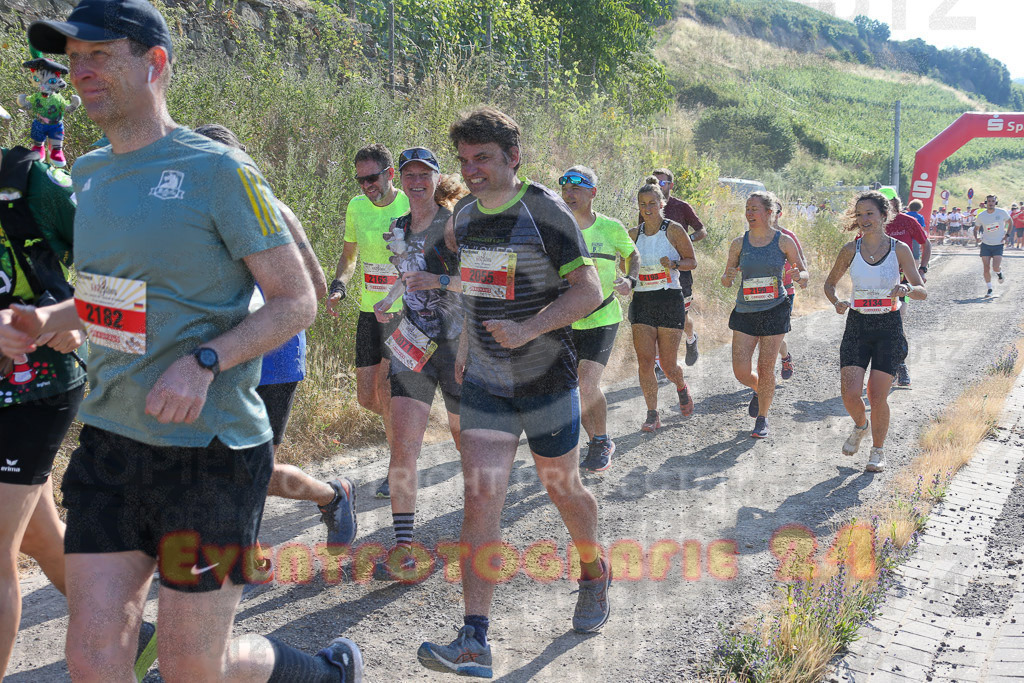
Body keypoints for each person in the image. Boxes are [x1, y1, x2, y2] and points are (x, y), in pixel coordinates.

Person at [10, 1, 363, 679]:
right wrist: (46, 322)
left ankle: (320, 672)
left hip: (210, 452)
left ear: (155, 63)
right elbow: (116, 294)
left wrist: (207, 360)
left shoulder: (220, 172)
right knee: (90, 657)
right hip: (111, 443)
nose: (80, 71)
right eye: (73, 58)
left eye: (99, 55)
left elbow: (298, 299)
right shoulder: (89, 172)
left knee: (192, 665)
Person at [416, 107, 606, 679]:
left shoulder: (544, 211)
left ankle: (593, 569)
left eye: (484, 159)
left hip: (546, 378)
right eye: (465, 159)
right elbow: (478, 280)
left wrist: (528, 328)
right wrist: (472, 337)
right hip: (488, 384)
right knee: (480, 498)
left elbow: (590, 291)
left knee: (562, 489)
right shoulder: (466, 217)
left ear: (512, 158)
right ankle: (474, 639)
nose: (471, 170)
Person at [193, 124, 357, 551]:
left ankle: (330, 495)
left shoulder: (274, 212)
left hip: (274, 357)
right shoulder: (193, 220)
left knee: (253, 469)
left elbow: (317, 289)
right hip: (218, 358)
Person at [370, 147, 466, 578]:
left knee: (467, 443)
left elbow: (485, 282)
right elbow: (404, 274)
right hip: (412, 346)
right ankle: (404, 548)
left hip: (458, 345)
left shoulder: (456, 226)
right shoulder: (397, 226)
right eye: (408, 175)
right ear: (400, 180)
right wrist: (388, 301)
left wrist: (440, 279)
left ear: (436, 178)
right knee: (404, 446)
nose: (415, 181)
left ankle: (477, 526)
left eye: (423, 174)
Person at [326, 143, 410, 499]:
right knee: (366, 396)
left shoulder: (410, 203)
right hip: (368, 310)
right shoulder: (356, 207)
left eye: (371, 178)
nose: (365, 186)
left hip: (406, 311)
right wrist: (339, 286)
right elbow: (349, 257)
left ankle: (399, 466)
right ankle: (406, 431)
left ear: (390, 173)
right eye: (360, 180)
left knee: (389, 389)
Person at [824, 191, 926, 472]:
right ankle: (861, 425)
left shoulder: (899, 249)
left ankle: (878, 451)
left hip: (888, 327)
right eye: (859, 215)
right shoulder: (849, 250)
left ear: (884, 215)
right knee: (849, 393)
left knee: (877, 396)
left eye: (869, 214)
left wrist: (907, 288)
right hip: (858, 325)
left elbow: (922, 290)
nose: (864, 219)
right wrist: (837, 302)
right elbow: (829, 285)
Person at [562, 165, 637, 470]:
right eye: (565, 189)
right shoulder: (556, 228)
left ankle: (602, 440)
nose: (569, 194)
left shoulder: (611, 228)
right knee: (573, 391)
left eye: (577, 189)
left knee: (587, 385)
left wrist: (630, 280)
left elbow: (632, 254)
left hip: (603, 315)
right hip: (566, 319)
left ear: (592, 193)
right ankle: (595, 441)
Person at [721, 191, 808, 439]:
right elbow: (726, 278)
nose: (749, 213)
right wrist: (727, 278)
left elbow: (804, 273)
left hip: (775, 309)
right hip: (745, 310)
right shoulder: (739, 243)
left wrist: (799, 277)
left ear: (769, 213)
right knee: (740, 371)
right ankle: (761, 389)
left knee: (766, 366)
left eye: (755, 209)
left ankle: (762, 418)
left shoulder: (784, 242)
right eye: (747, 209)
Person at [629, 175, 697, 432]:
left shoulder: (674, 230)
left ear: (661, 204)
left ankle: (681, 386)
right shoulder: (632, 234)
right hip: (643, 301)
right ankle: (652, 414)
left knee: (668, 365)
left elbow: (692, 261)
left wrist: (675, 264)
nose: (647, 208)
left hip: (669, 298)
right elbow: (627, 266)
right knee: (645, 362)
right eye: (642, 204)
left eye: (652, 203)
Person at [639, 168, 706, 366]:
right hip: (655, 271)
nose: (658, 186)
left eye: (662, 183)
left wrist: (686, 242)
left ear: (670, 185)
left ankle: (691, 338)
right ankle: (661, 363)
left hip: (681, 270)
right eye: (655, 182)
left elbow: (701, 231)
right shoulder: (646, 207)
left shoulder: (681, 206)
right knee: (659, 318)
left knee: (681, 316)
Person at [881, 192, 930, 388]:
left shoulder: (907, 221)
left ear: (896, 203)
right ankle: (887, 367)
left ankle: (899, 365)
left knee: (896, 322)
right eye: (881, 204)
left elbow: (926, 243)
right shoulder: (872, 222)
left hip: (902, 283)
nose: (886, 207)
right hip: (876, 284)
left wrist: (923, 268)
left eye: (888, 203)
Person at [772, 202, 805, 380]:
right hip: (758, 294)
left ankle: (783, 359)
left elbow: (801, 262)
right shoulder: (751, 236)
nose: (770, 215)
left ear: (780, 214)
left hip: (785, 291)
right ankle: (780, 361)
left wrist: (801, 276)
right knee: (764, 336)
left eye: (774, 211)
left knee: (775, 336)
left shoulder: (788, 236)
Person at [973, 194, 1011, 297]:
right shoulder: (981, 216)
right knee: (986, 267)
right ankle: (989, 289)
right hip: (986, 244)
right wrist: (977, 238)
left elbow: (1010, 222)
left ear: (995, 202)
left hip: (998, 244)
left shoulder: (1002, 212)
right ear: (986, 203)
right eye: (989, 201)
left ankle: (999, 273)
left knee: (995, 267)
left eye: (992, 201)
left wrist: (1007, 235)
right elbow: (975, 229)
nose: (990, 203)